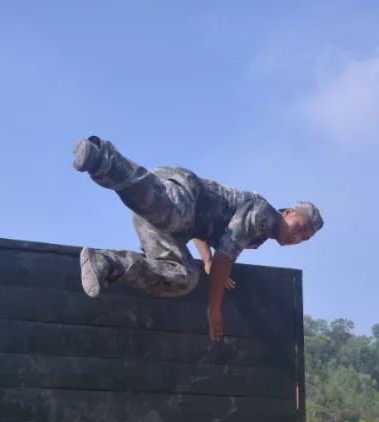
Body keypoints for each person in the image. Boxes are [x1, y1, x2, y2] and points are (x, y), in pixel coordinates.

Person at [71, 136, 323, 341]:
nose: (297, 237)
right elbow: (226, 256)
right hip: (183, 193)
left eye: (304, 238)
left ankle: (105, 263)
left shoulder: (258, 239)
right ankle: (101, 158)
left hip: (174, 226)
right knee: (171, 214)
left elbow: (207, 236)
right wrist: (214, 309)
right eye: (300, 228)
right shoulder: (262, 214)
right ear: (288, 212)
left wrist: (206, 260)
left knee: (183, 278)